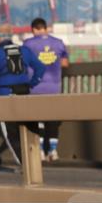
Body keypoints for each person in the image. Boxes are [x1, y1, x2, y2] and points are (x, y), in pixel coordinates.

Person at [0, 23, 46, 163]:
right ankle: (36, 157)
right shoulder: (24, 50)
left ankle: (24, 164)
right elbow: (40, 68)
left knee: (11, 133)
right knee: (29, 126)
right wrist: (33, 83)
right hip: (24, 92)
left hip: (6, 95)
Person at [23, 17, 69, 161]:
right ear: (45, 28)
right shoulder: (58, 43)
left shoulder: (28, 44)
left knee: (39, 121)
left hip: (36, 87)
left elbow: (23, 63)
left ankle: (41, 151)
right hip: (54, 87)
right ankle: (53, 151)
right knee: (53, 120)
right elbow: (65, 63)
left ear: (34, 29)